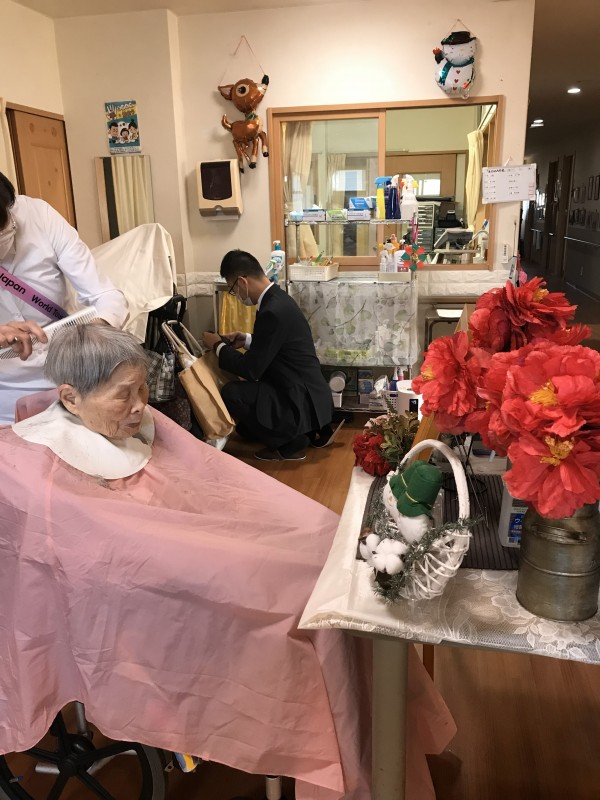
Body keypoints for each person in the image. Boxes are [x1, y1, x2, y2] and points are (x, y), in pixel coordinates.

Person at [0, 324, 454, 800]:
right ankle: (328, 749)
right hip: (152, 574)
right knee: (305, 604)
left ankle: (375, 743)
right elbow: (99, 556)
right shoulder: (37, 470)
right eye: (123, 395)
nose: (139, 407)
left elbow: (215, 479)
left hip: (200, 537)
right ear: (70, 399)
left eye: (142, 389)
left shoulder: (136, 424)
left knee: (330, 549)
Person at [0, 172, 128, 423]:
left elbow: (108, 296)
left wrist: (94, 333)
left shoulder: (39, 217)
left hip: (71, 383)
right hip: (5, 397)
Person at [202, 249, 337, 461]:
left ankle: (289, 443)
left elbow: (251, 370)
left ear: (242, 282)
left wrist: (218, 346)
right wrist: (247, 339)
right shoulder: (278, 299)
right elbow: (277, 345)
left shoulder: (272, 310)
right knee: (245, 430)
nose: (236, 295)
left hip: (297, 397)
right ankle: (303, 430)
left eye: (232, 289)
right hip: (308, 396)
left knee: (231, 392)